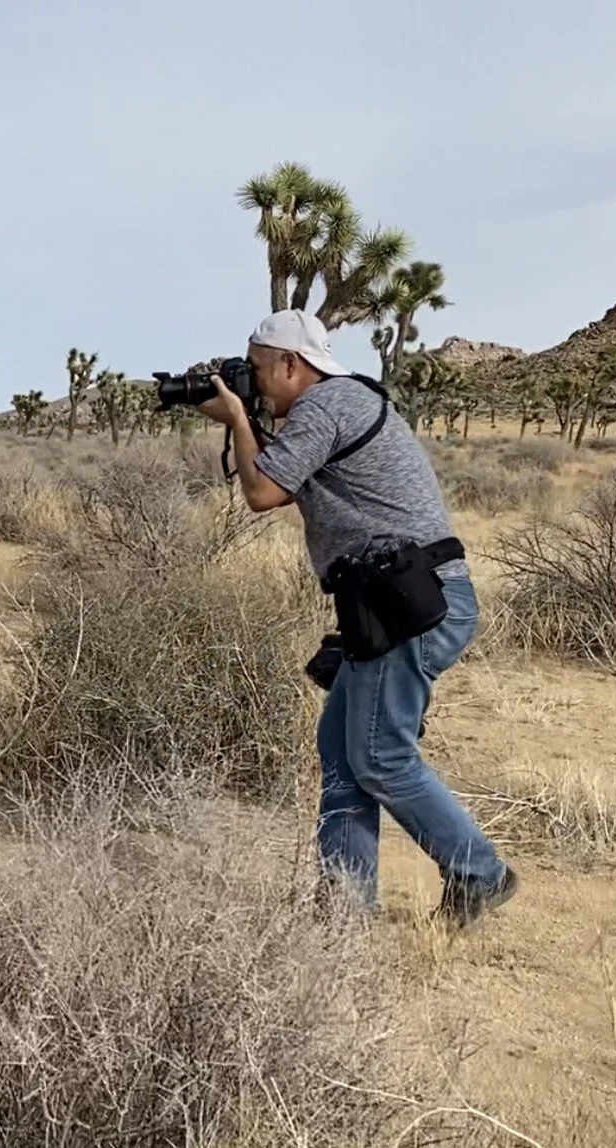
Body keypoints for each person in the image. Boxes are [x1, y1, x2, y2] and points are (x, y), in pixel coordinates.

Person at [197, 309, 517, 927]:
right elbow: (281, 477)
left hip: (410, 606)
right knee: (343, 752)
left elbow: (262, 493)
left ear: (293, 364)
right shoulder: (331, 406)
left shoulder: (327, 404)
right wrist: (246, 417)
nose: (254, 383)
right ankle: (345, 908)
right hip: (393, 603)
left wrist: (237, 418)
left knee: (379, 758)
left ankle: (481, 873)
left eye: (259, 372)